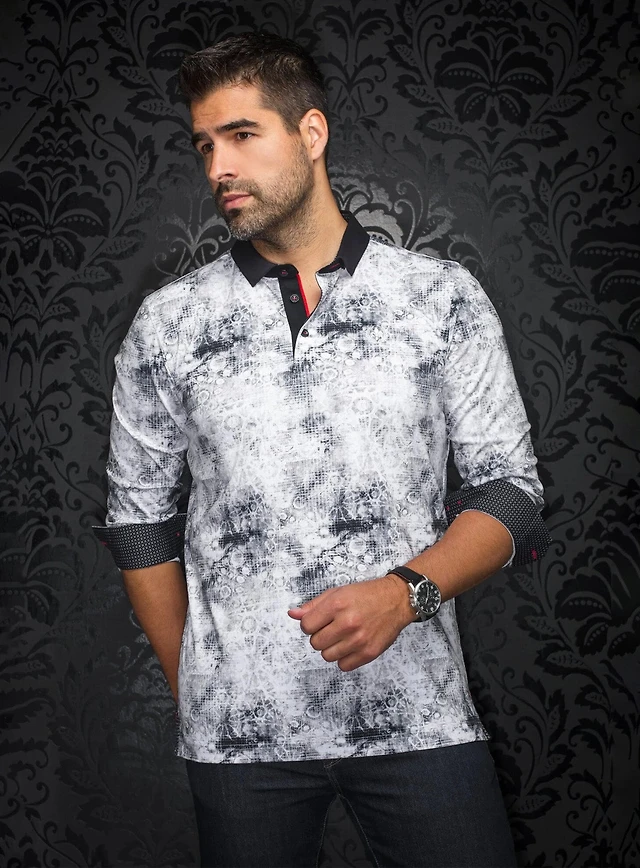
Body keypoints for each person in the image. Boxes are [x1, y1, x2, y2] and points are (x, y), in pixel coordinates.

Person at [93, 31, 550, 868]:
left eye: (241, 135)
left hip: (419, 715)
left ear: (310, 133)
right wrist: (200, 686)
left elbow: (511, 492)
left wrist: (407, 593)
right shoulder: (168, 324)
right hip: (239, 736)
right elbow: (137, 524)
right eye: (204, 145)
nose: (219, 166)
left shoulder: (439, 297)